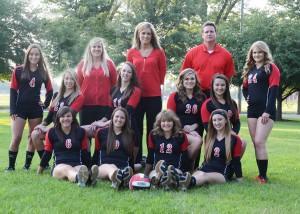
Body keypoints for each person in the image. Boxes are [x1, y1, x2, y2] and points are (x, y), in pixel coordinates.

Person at [6, 44, 53, 171]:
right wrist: (12, 109)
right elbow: (13, 90)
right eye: (31, 54)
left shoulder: (43, 72)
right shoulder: (18, 70)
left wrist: (46, 104)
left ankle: (26, 166)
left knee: (31, 137)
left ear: (40, 56)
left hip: (35, 110)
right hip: (19, 109)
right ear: (27, 55)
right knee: (16, 137)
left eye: (36, 54)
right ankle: (11, 166)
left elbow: (50, 90)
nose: (34, 56)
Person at [126, 22, 167, 163]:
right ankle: (136, 160)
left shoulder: (159, 52)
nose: (146, 36)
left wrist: (155, 85)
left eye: (148, 33)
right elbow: (128, 73)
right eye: (143, 33)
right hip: (135, 96)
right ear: (138, 34)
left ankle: (151, 159)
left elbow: (162, 74)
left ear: (152, 35)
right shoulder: (131, 52)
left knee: (153, 129)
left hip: (154, 97)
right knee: (135, 129)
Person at [241, 41, 280, 183]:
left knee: (259, 141)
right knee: (255, 142)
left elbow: (274, 90)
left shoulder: (271, 68)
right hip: (252, 111)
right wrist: (247, 97)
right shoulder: (250, 70)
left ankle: (264, 177)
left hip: (265, 111)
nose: (257, 55)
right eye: (254, 52)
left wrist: (267, 111)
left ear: (265, 53)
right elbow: (244, 88)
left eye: (259, 52)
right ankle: (260, 175)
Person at [31, 69, 84, 166]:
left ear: (76, 81)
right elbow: (50, 115)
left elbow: (68, 118)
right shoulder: (56, 95)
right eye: (66, 78)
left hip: (68, 130)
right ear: (63, 80)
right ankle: (45, 164)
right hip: (55, 129)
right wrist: (41, 125)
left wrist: (48, 129)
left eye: (72, 79)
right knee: (35, 134)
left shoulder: (79, 97)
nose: (69, 81)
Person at [37, 106, 98, 188]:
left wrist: (88, 167)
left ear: (73, 118)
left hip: (76, 164)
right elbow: (47, 153)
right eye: (62, 116)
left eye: (68, 116)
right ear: (58, 119)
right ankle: (81, 178)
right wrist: (39, 171)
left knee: (80, 169)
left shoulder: (81, 131)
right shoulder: (51, 132)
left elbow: (84, 153)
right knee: (67, 169)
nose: (65, 119)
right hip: (59, 166)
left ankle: (89, 178)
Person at [186, 109, 243, 189]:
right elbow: (206, 158)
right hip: (206, 168)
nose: (217, 123)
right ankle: (181, 182)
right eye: (214, 120)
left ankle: (185, 183)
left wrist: (239, 179)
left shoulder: (234, 139)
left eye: (220, 119)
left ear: (226, 120)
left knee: (204, 176)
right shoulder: (208, 137)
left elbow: (236, 161)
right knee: (198, 174)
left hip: (222, 172)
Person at [181, 21, 235, 98]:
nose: (209, 34)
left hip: (217, 94)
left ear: (216, 33)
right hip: (196, 93)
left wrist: (221, 92)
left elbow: (228, 77)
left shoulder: (226, 54)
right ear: (202, 35)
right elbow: (184, 75)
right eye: (206, 32)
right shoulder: (192, 53)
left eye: (211, 31)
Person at [144, 109, 191, 190]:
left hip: (175, 167)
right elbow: (150, 156)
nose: (166, 123)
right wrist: (145, 175)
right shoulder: (153, 134)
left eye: (169, 121)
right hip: (157, 168)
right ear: (159, 123)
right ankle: (161, 181)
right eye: (163, 121)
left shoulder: (181, 135)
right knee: (154, 175)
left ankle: (173, 179)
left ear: (174, 122)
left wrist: (187, 172)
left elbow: (185, 156)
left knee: (174, 172)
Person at [167, 68, 204, 170]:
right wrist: (183, 128)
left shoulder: (201, 97)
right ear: (182, 81)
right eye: (186, 79)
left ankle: (184, 169)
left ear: (196, 80)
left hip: (194, 130)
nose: (189, 81)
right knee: (197, 141)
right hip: (177, 130)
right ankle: (185, 168)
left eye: (192, 79)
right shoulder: (174, 96)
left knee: (197, 141)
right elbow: (170, 117)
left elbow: (203, 117)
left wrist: (193, 127)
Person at [91, 107, 137, 190]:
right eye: (117, 116)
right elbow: (97, 152)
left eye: (122, 118)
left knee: (123, 170)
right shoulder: (101, 132)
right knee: (112, 166)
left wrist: (132, 170)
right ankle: (119, 178)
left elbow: (131, 155)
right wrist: (91, 169)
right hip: (103, 167)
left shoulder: (131, 135)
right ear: (112, 118)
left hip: (123, 167)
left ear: (126, 120)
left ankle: (122, 177)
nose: (119, 119)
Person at [201, 73, 247, 156]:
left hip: (229, 134)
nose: (220, 87)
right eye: (217, 85)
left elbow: (237, 122)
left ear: (226, 86)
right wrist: (222, 135)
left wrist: (233, 133)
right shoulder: (207, 104)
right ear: (212, 86)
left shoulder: (232, 103)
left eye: (222, 85)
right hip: (213, 136)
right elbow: (207, 126)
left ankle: (231, 166)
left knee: (243, 142)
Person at [77, 37, 117, 126]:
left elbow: (115, 86)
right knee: (85, 133)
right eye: (94, 47)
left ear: (102, 49)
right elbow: (78, 85)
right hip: (86, 105)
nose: (96, 49)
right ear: (90, 49)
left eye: (99, 47)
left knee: (102, 133)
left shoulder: (109, 64)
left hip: (105, 105)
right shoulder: (83, 64)